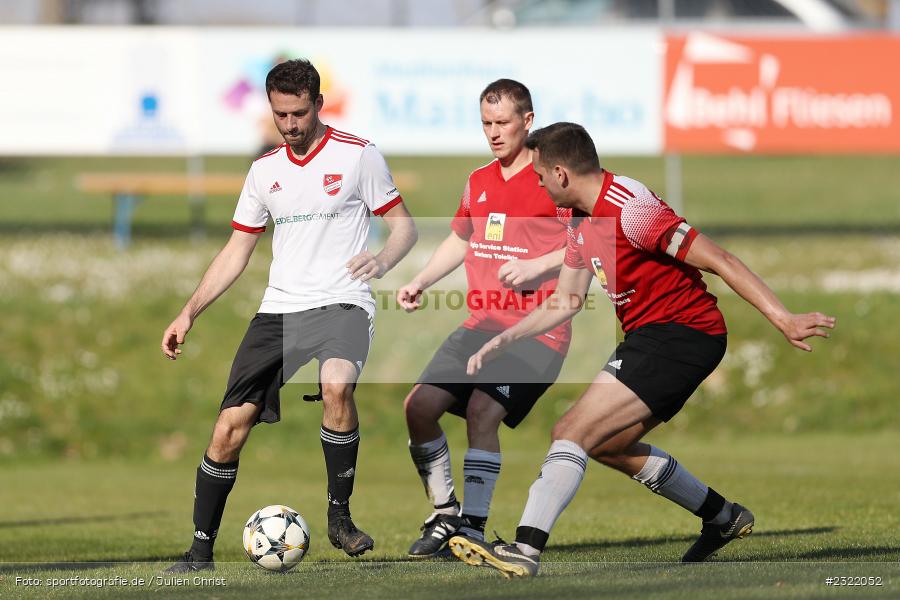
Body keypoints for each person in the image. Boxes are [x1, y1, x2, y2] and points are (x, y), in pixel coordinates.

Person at [449, 122, 836, 577]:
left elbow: (720, 259)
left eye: (538, 175)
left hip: (683, 332)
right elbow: (567, 300)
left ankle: (526, 550)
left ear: (561, 173)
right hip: (649, 336)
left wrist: (783, 317)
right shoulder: (578, 219)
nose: (535, 182)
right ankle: (722, 517)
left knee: (571, 430)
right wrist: (504, 338)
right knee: (610, 444)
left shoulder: (629, 209)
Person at [160, 59, 417, 572]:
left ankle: (339, 517)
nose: (290, 124)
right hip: (280, 308)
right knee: (228, 428)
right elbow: (237, 250)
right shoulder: (264, 171)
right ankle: (199, 552)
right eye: (281, 115)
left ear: (318, 105)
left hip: (344, 298)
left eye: (299, 113)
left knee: (337, 385)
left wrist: (382, 261)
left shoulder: (359, 156)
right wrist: (189, 312)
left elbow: (404, 229)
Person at [396, 80, 572, 558]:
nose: (494, 133)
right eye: (486, 124)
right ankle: (445, 513)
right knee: (419, 408)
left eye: (503, 123)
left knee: (482, 412)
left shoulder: (554, 177)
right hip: (481, 324)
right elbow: (461, 238)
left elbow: (592, 240)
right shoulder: (478, 180)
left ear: (528, 122)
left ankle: (472, 527)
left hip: (538, 331)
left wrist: (539, 266)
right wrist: (422, 280)